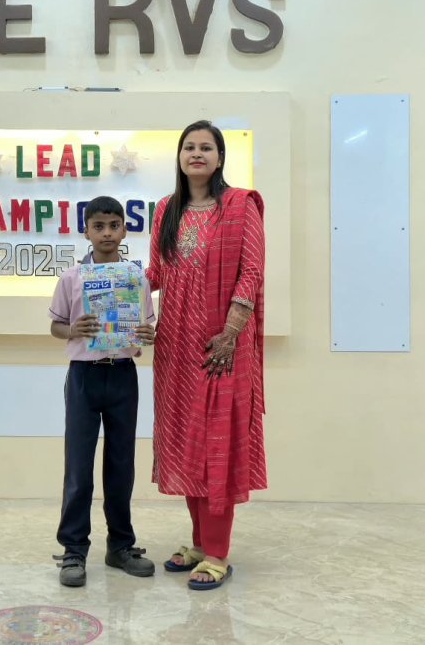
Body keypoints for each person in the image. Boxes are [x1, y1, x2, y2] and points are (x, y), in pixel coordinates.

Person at [146, 120, 266, 591]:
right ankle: (199, 543)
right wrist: (105, 283)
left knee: (218, 444)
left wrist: (231, 333)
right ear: (179, 157)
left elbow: (251, 273)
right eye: (189, 147)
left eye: (206, 148)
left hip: (220, 346)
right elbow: (155, 274)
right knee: (186, 441)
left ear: (219, 158)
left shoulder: (239, 206)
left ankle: (217, 553)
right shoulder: (166, 210)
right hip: (175, 344)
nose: (197, 154)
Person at [49, 195, 157, 587]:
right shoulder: (71, 278)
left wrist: (148, 334)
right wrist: (72, 329)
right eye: (99, 226)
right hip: (84, 377)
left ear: (124, 230)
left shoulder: (136, 277)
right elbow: (56, 326)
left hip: (123, 375)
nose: (107, 233)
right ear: (87, 232)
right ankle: (73, 550)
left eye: (114, 226)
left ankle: (120, 546)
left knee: (121, 464)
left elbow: (146, 325)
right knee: (79, 466)